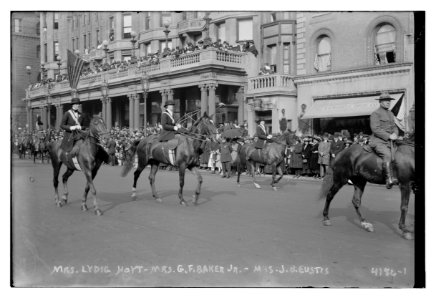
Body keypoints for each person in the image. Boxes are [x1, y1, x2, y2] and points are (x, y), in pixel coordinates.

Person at [369, 92, 399, 189]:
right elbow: (375, 129)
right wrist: (389, 136)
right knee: (387, 155)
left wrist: (395, 133)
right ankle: (388, 179)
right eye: (386, 101)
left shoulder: (390, 113)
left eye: (389, 101)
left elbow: (394, 127)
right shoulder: (375, 114)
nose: (388, 102)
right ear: (380, 102)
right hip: (378, 141)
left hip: (391, 141)